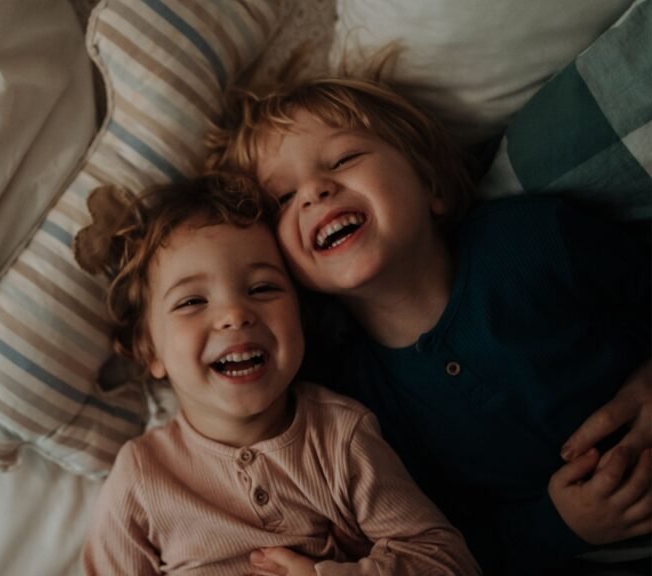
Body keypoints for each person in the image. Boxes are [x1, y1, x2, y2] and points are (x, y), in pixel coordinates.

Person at [205, 75, 652, 574]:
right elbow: (446, 545)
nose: (314, 191)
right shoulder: (354, 407)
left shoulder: (534, 239)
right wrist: (559, 525)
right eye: (284, 199)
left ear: (431, 183)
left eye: (344, 159)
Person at [74, 174, 480, 575]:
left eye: (262, 288)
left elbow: (448, 561)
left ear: (301, 317)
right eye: (192, 301)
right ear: (150, 350)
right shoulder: (142, 477)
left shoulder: (340, 437)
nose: (235, 315)